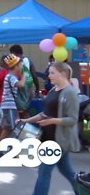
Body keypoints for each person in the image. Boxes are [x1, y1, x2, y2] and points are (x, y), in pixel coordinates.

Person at [19, 62, 80, 195]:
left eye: (52, 73)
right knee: (68, 172)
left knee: (44, 172)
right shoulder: (54, 90)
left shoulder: (70, 92)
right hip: (48, 138)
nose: (48, 76)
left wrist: (53, 121)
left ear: (63, 74)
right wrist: (26, 120)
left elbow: (73, 119)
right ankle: (84, 190)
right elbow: (44, 114)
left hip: (59, 141)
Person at [0, 54, 26, 145]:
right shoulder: (11, 77)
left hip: (9, 105)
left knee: (10, 126)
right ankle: (1, 146)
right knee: (8, 127)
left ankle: (5, 145)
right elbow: (20, 85)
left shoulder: (10, 76)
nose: (22, 67)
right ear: (16, 66)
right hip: (9, 105)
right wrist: (24, 76)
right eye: (21, 65)